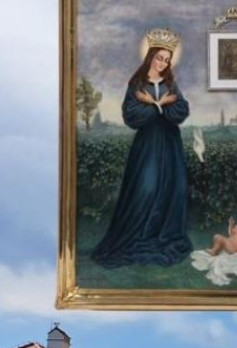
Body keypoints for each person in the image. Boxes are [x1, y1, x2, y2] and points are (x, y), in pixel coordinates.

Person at [91, 28, 192, 269]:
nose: (163, 63)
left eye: (167, 60)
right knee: (145, 188)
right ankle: (136, 235)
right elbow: (131, 115)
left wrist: (158, 105)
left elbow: (182, 111)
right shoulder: (136, 84)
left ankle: (161, 236)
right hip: (147, 144)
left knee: (172, 188)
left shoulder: (170, 84)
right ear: (150, 56)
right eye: (160, 57)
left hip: (169, 144)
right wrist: (159, 107)